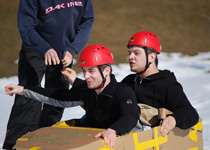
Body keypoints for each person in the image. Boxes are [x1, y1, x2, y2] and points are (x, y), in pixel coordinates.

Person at [5, 44, 140, 149]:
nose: (86, 76)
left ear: (106, 71)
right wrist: (22, 89)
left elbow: (131, 115)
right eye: (84, 71)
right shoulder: (87, 90)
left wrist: (113, 130)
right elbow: (57, 96)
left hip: (118, 140)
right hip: (91, 139)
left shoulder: (123, 92)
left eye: (91, 71)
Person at [3, 0, 94, 149]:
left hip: (64, 51)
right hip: (35, 48)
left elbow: (88, 19)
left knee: (57, 98)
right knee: (28, 97)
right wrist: (44, 48)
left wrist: (73, 49)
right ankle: (14, 145)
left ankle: (44, 143)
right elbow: (26, 26)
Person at [121, 31, 199, 136]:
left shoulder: (167, 84)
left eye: (136, 53)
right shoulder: (129, 82)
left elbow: (190, 113)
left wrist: (173, 119)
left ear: (152, 57)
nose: (131, 57)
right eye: (129, 53)